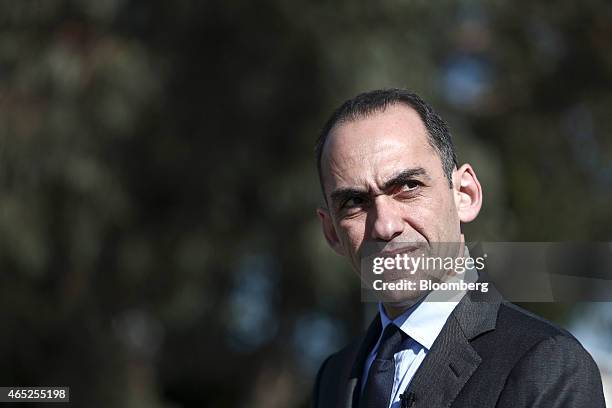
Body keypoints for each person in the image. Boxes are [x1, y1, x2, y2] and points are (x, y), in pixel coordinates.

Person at [312, 89, 605, 408]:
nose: (385, 225)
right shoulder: (334, 377)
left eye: (409, 187)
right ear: (331, 231)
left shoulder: (547, 365)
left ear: (464, 194)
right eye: (354, 202)